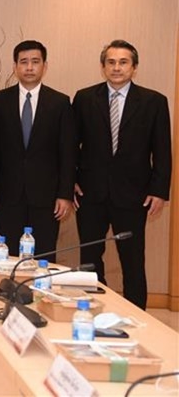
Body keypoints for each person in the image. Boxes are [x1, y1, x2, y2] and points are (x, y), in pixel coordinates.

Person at [73, 40, 171, 309]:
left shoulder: (153, 102)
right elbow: (70, 145)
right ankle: (92, 310)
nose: (117, 68)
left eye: (123, 62)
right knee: (90, 258)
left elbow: (162, 150)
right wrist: (71, 181)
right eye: (111, 62)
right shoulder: (84, 98)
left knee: (133, 260)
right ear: (103, 66)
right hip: (90, 193)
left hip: (133, 195)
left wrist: (159, 191)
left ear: (134, 67)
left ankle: (137, 315)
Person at [0, 40, 76, 259]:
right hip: (7, 195)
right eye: (24, 62)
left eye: (35, 62)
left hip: (46, 197)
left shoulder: (60, 103)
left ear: (44, 66)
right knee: (7, 257)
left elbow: (67, 152)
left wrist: (65, 194)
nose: (29, 67)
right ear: (15, 66)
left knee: (44, 256)